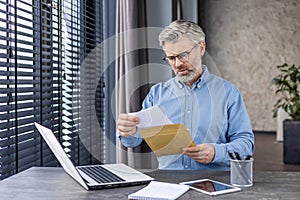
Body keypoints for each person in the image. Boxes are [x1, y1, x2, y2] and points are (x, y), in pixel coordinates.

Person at [117, 19, 254, 170]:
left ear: (201, 48)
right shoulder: (157, 94)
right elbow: (134, 141)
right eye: (171, 58)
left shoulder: (229, 93)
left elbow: (246, 144)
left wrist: (216, 152)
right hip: (169, 184)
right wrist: (128, 132)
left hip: (214, 184)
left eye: (183, 55)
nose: (177, 64)